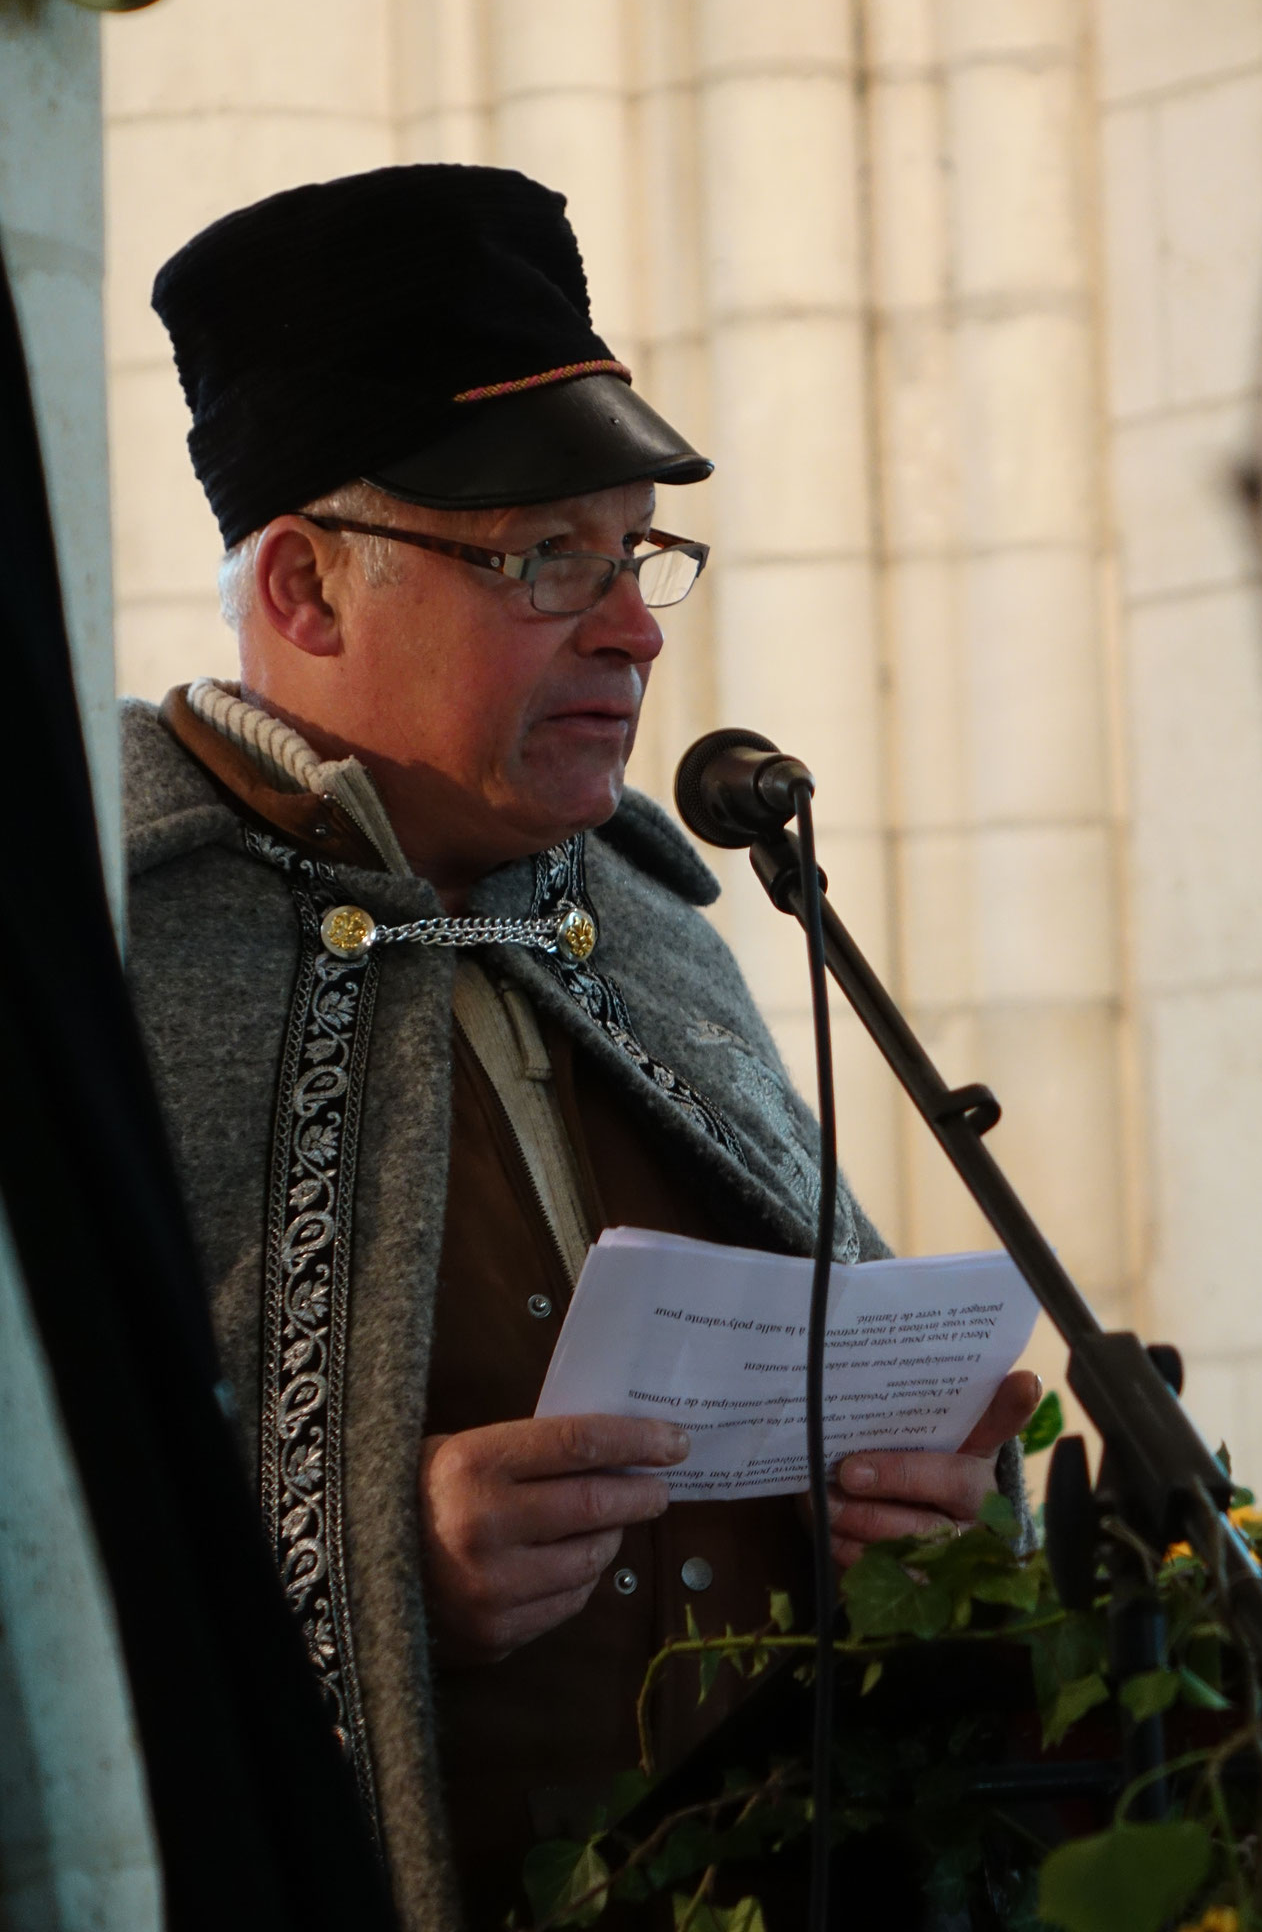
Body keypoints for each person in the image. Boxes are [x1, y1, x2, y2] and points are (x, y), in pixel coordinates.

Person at [122, 164, 1040, 1930]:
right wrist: (372, 1569)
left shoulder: (649, 925)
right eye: (546, 559)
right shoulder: (106, 948)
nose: (627, 626)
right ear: (307, 588)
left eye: (638, 558)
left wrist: (928, 1524)